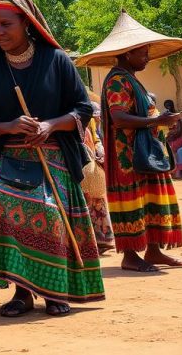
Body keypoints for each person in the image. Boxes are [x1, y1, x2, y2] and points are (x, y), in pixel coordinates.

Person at [0, 0, 104, 317]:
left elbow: (83, 109)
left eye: (6, 24)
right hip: (6, 155)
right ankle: (22, 292)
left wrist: (50, 126)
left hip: (52, 153)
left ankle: (54, 291)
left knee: (46, 209)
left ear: (26, 23)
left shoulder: (57, 60)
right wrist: (9, 126)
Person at [84, 11, 182, 273]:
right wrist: (157, 122)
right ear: (128, 52)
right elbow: (119, 118)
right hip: (127, 156)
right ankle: (130, 256)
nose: (147, 57)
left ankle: (153, 251)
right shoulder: (118, 80)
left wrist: (162, 120)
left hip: (145, 153)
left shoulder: (131, 79)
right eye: (143, 52)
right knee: (132, 202)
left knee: (150, 200)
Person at [82, 100, 115, 253]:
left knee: (95, 198)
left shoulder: (87, 113)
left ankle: (101, 239)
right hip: (81, 159)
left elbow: (96, 138)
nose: (97, 120)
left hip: (90, 160)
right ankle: (92, 241)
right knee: (87, 200)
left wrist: (99, 150)